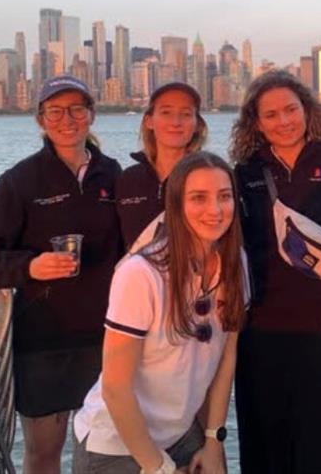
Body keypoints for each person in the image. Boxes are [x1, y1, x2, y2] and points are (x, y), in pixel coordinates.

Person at [0, 75, 124, 474]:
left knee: (110, 450)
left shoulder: (112, 174)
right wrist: (29, 266)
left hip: (109, 337)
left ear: (91, 116)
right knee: (44, 452)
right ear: (40, 120)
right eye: (55, 111)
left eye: (77, 109)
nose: (67, 119)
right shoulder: (20, 181)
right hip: (44, 341)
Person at [230, 70, 321, 474]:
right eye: (270, 114)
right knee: (265, 442)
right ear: (256, 123)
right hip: (261, 330)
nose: (284, 121)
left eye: (291, 109)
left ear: (307, 110)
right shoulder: (248, 170)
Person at [72, 151, 249, 474]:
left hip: (181, 435)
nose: (215, 210)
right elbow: (116, 388)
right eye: (199, 198)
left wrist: (213, 440)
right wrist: (157, 468)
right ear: (176, 204)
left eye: (224, 197)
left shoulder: (235, 264)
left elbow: (225, 360)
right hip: (117, 444)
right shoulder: (141, 274)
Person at [117, 82, 208, 252]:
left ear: (197, 125)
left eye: (186, 114)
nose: (176, 122)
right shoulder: (128, 179)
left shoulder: (209, 178)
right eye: (166, 112)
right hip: (139, 277)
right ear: (149, 121)